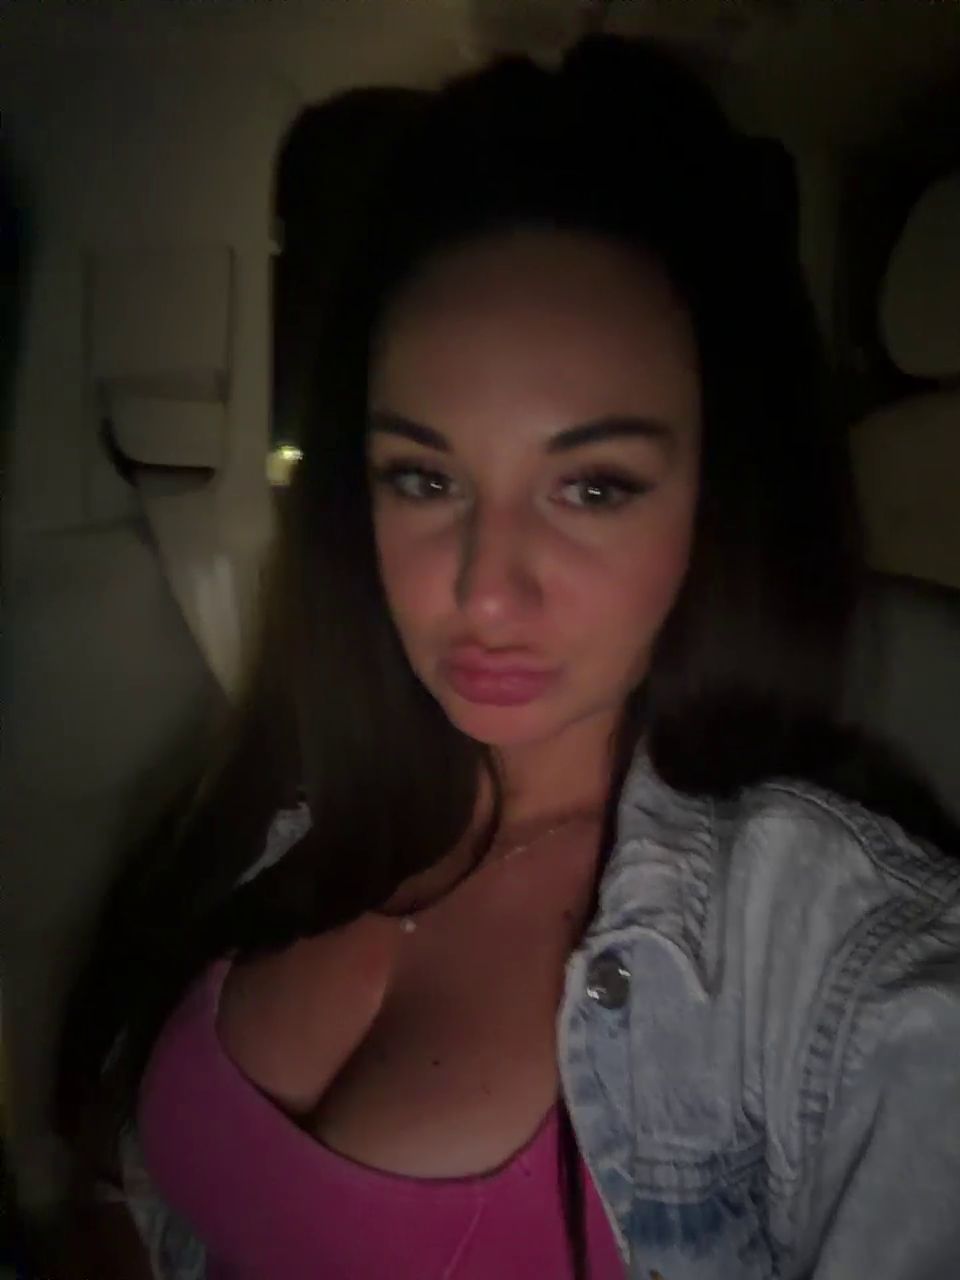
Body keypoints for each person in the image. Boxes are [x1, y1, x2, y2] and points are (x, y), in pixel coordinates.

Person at [49, 34, 960, 1280]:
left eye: (592, 486)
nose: (483, 588)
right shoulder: (299, 792)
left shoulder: (833, 963)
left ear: (717, 499)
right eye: (424, 477)